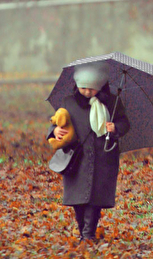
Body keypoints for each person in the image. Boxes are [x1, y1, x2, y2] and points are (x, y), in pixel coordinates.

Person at [49, 61, 130, 243]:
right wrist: (55, 131)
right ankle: (83, 231)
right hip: (77, 158)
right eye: (83, 88)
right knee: (78, 199)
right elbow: (56, 121)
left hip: (103, 157)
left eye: (92, 89)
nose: (87, 92)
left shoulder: (112, 103)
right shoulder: (69, 102)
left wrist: (115, 128)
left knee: (95, 199)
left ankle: (88, 234)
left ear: (100, 85)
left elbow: (125, 123)